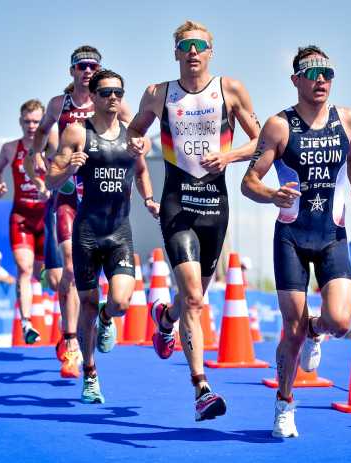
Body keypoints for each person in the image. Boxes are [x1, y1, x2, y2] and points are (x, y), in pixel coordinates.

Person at [127, 20, 261, 421]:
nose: (192, 52)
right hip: (177, 203)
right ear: (176, 52)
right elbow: (134, 132)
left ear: (210, 52)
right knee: (194, 298)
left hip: (215, 207)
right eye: (185, 45)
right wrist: (137, 141)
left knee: (193, 299)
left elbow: (262, 140)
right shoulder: (157, 94)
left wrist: (229, 156)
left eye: (200, 46)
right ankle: (201, 388)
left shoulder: (230, 89)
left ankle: (163, 318)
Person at [242, 45, 351, 437]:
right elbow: (249, 182)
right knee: (291, 331)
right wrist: (272, 195)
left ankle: (318, 330)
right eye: (312, 73)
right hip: (292, 238)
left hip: (332, 235)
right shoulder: (279, 126)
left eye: (327, 73)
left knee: (340, 321)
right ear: (295, 79)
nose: (321, 80)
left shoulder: (346, 119)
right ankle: (284, 402)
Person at [47, 69, 157, 401]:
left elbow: (141, 171)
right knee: (89, 304)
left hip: (119, 231)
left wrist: (150, 199)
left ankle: (109, 319)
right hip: (86, 234)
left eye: (118, 93)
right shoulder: (76, 133)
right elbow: (52, 180)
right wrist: (68, 168)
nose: (113, 98)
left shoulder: (132, 137)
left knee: (120, 302)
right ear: (93, 97)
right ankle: (90, 373)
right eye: (106, 93)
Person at [25, 45, 133, 369]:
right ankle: (70, 339)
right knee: (69, 268)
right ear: (72, 71)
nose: (87, 71)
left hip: (105, 199)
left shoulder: (113, 101)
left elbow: (138, 133)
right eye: (81, 66)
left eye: (92, 66)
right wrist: (41, 165)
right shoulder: (60, 105)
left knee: (87, 279)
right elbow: (40, 136)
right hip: (71, 196)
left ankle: (104, 318)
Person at [0, 99, 48, 344]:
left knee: (45, 275)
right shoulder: (10, 148)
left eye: (36, 121)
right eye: (27, 121)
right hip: (22, 217)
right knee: (24, 270)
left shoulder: (52, 147)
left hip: (47, 220)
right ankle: (26, 323)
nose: (31, 126)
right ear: (20, 122)